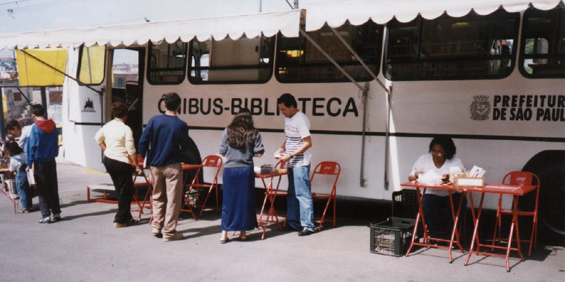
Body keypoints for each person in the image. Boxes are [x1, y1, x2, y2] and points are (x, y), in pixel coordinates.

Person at [139, 92, 189, 242]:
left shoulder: (154, 121)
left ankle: (156, 226)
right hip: (173, 166)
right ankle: (169, 232)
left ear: (164, 105)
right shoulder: (181, 125)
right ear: (179, 105)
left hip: (155, 165)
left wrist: (147, 156)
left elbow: (143, 142)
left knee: (157, 196)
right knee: (173, 200)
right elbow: (185, 147)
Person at [218, 108, 264, 243]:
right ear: (249, 119)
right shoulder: (254, 132)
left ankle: (224, 235)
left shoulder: (227, 131)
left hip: (230, 171)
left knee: (228, 202)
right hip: (246, 171)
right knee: (245, 202)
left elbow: (222, 152)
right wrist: (248, 153)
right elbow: (259, 153)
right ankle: (243, 234)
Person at [94, 102, 143, 228]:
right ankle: (120, 219)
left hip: (109, 160)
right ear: (126, 115)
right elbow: (131, 149)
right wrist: (137, 165)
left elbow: (97, 138)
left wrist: (106, 150)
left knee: (120, 189)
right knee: (126, 191)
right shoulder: (126, 129)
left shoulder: (108, 126)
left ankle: (127, 216)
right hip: (121, 162)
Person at [408, 136, 467, 238]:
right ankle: (433, 235)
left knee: (462, 201)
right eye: (433, 151)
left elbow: (464, 177)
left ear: (447, 152)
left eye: (440, 152)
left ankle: (452, 235)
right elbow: (410, 177)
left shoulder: (455, 161)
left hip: (451, 195)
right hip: (431, 193)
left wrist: (451, 177)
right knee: (426, 204)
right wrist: (416, 174)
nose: (436, 155)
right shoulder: (424, 159)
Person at [274, 93, 316, 236]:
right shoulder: (289, 118)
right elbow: (289, 138)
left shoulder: (301, 119)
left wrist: (290, 155)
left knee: (302, 193)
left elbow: (308, 142)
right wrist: (281, 149)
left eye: (284, 109)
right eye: (280, 110)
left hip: (301, 163)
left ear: (292, 106)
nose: (282, 112)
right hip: (291, 162)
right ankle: (293, 222)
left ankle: (308, 225)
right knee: (292, 193)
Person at [26, 104, 61, 224]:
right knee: (53, 187)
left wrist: (29, 163)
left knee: (42, 189)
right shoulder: (53, 125)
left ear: (33, 115)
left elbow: (32, 147)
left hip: (39, 162)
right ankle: (56, 213)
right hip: (51, 160)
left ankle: (46, 214)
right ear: (44, 113)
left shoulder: (35, 128)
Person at [5, 141, 32, 213]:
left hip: (19, 175)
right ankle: (29, 205)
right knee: (27, 190)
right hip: (26, 173)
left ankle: (25, 208)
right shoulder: (24, 154)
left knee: (21, 191)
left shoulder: (13, 159)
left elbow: (11, 169)